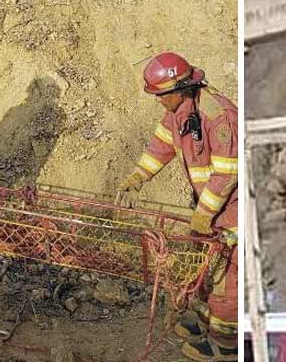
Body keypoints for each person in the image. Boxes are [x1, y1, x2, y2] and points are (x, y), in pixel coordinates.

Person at [117, 52, 238, 362]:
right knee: (204, 270)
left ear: (180, 88)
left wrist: (204, 214)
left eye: (161, 95)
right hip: (209, 211)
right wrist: (137, 177)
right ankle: (205, 322)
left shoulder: (219, 117)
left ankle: (225, 343)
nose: (158, 101)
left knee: (227, 277)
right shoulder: (179, 111)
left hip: (233, 214)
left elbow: (228, 175)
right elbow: (161, 146)